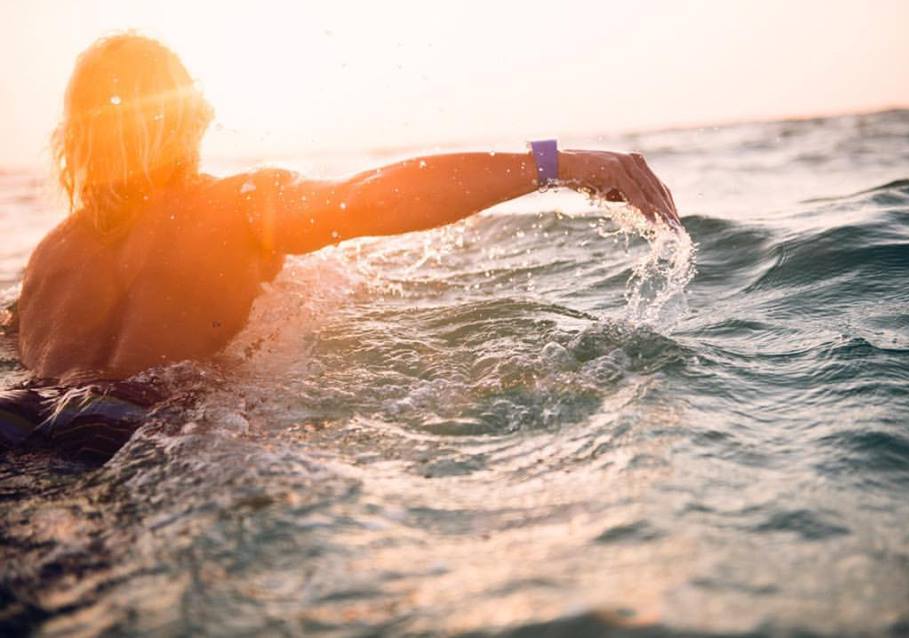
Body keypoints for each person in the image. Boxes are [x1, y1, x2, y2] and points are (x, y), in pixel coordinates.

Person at [0, 33, 679, 461]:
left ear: (77, 139)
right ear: (189, 118)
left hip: (19, 419)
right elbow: (374, 196)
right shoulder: (233, 206)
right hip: (134, 430)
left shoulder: (49, 259)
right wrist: (554, 162)